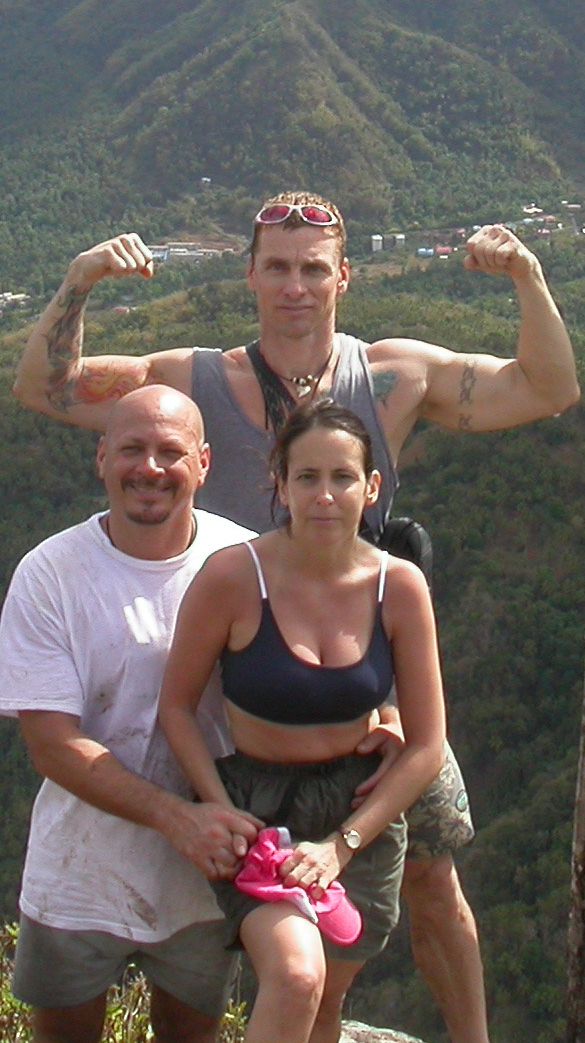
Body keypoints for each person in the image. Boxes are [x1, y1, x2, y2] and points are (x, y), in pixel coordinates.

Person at [15, 191, 580, 1043]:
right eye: (277, 266)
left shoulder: (391, 377)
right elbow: (45, 387)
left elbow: (547, 387)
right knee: (263, 915)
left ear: (343, 277)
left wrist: (527, 278)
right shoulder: (191, 380)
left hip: (364, 679)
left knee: (432, 875)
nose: (295, 286)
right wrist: (80, 284)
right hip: (240, 688)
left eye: (313, 268)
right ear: (250, 274)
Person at [160, 400, 447, 1043]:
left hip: (358, 814)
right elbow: (175, 707)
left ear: (371, 488)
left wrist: (345, 843)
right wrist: (216, 805)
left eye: (342, 477)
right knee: (296, 974)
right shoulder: (234, 577)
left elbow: (427, 744)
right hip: (258, 816)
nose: (324, 496)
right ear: (280, 484)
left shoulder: (397, 587)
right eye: (307, 477)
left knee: (325, 1005)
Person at [0, 385, 264, 1043]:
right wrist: (178, 819)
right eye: (132, 449)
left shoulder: (249, 564)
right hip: (79, 871)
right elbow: (53, 746)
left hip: (206, 876)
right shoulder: (50, 573)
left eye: (170, 452)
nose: (150, 468)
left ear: (203, 463)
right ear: (102, 458)